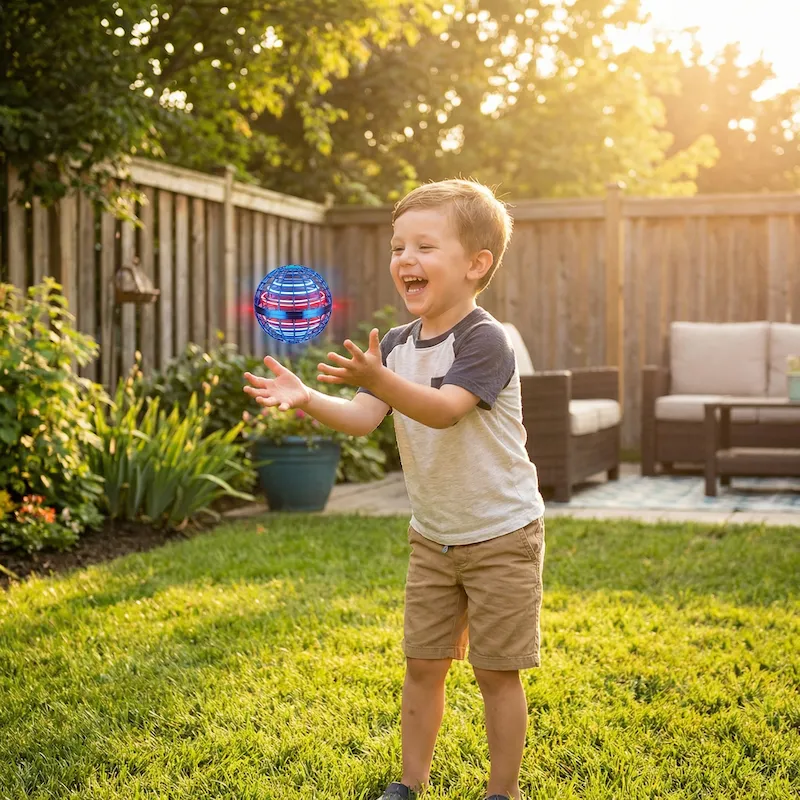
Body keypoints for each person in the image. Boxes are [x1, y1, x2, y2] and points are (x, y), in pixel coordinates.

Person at [243, 179, 546, 800]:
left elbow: (444, 411)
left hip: (501, 533)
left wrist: (380, 380)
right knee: (423, 664)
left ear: (476, 264)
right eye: (397, 247)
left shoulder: (484, 339)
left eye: (424, 247)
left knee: (495, 672)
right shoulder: (400, 345)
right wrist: (307, 398)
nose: (406, 258)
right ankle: (410, 783)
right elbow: (362, 418)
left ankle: (503, 792)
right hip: (433, 537)